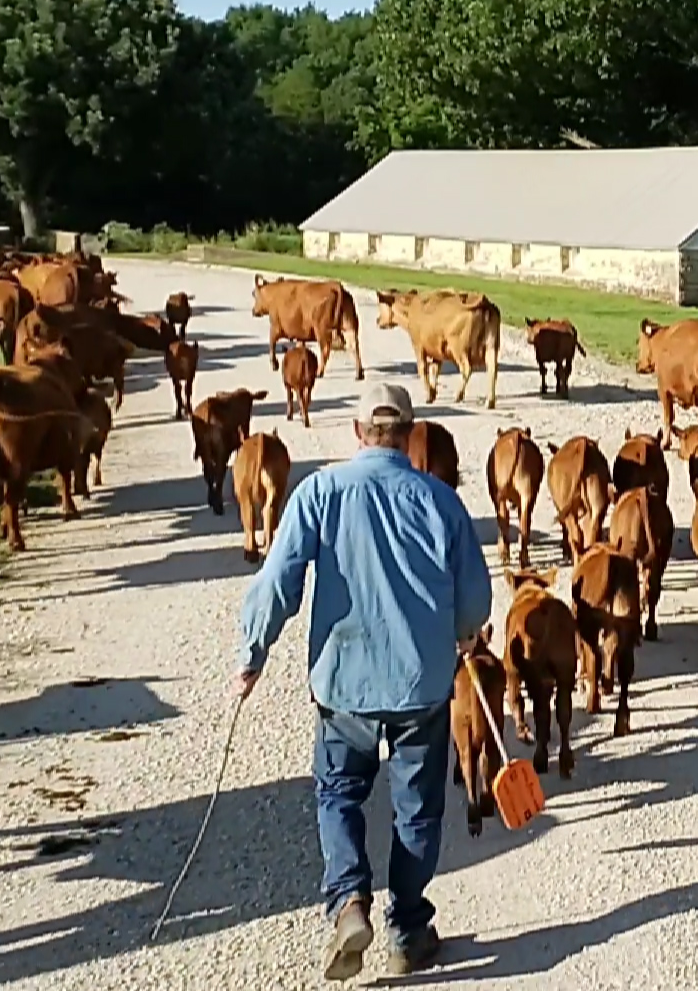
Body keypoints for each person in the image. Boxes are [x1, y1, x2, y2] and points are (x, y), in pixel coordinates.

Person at [234, 382, 493, 982]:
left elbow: (278, 582)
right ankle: (407, 931)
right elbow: (475, 600)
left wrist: (253, 654)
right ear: (408, 434)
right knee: (418, 808)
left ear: (357, 433)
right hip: (421, 685)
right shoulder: (441, 501)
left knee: (339, 793)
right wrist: (462, 631)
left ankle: (349, 902)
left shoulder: (320, 492)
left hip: (344, 682)